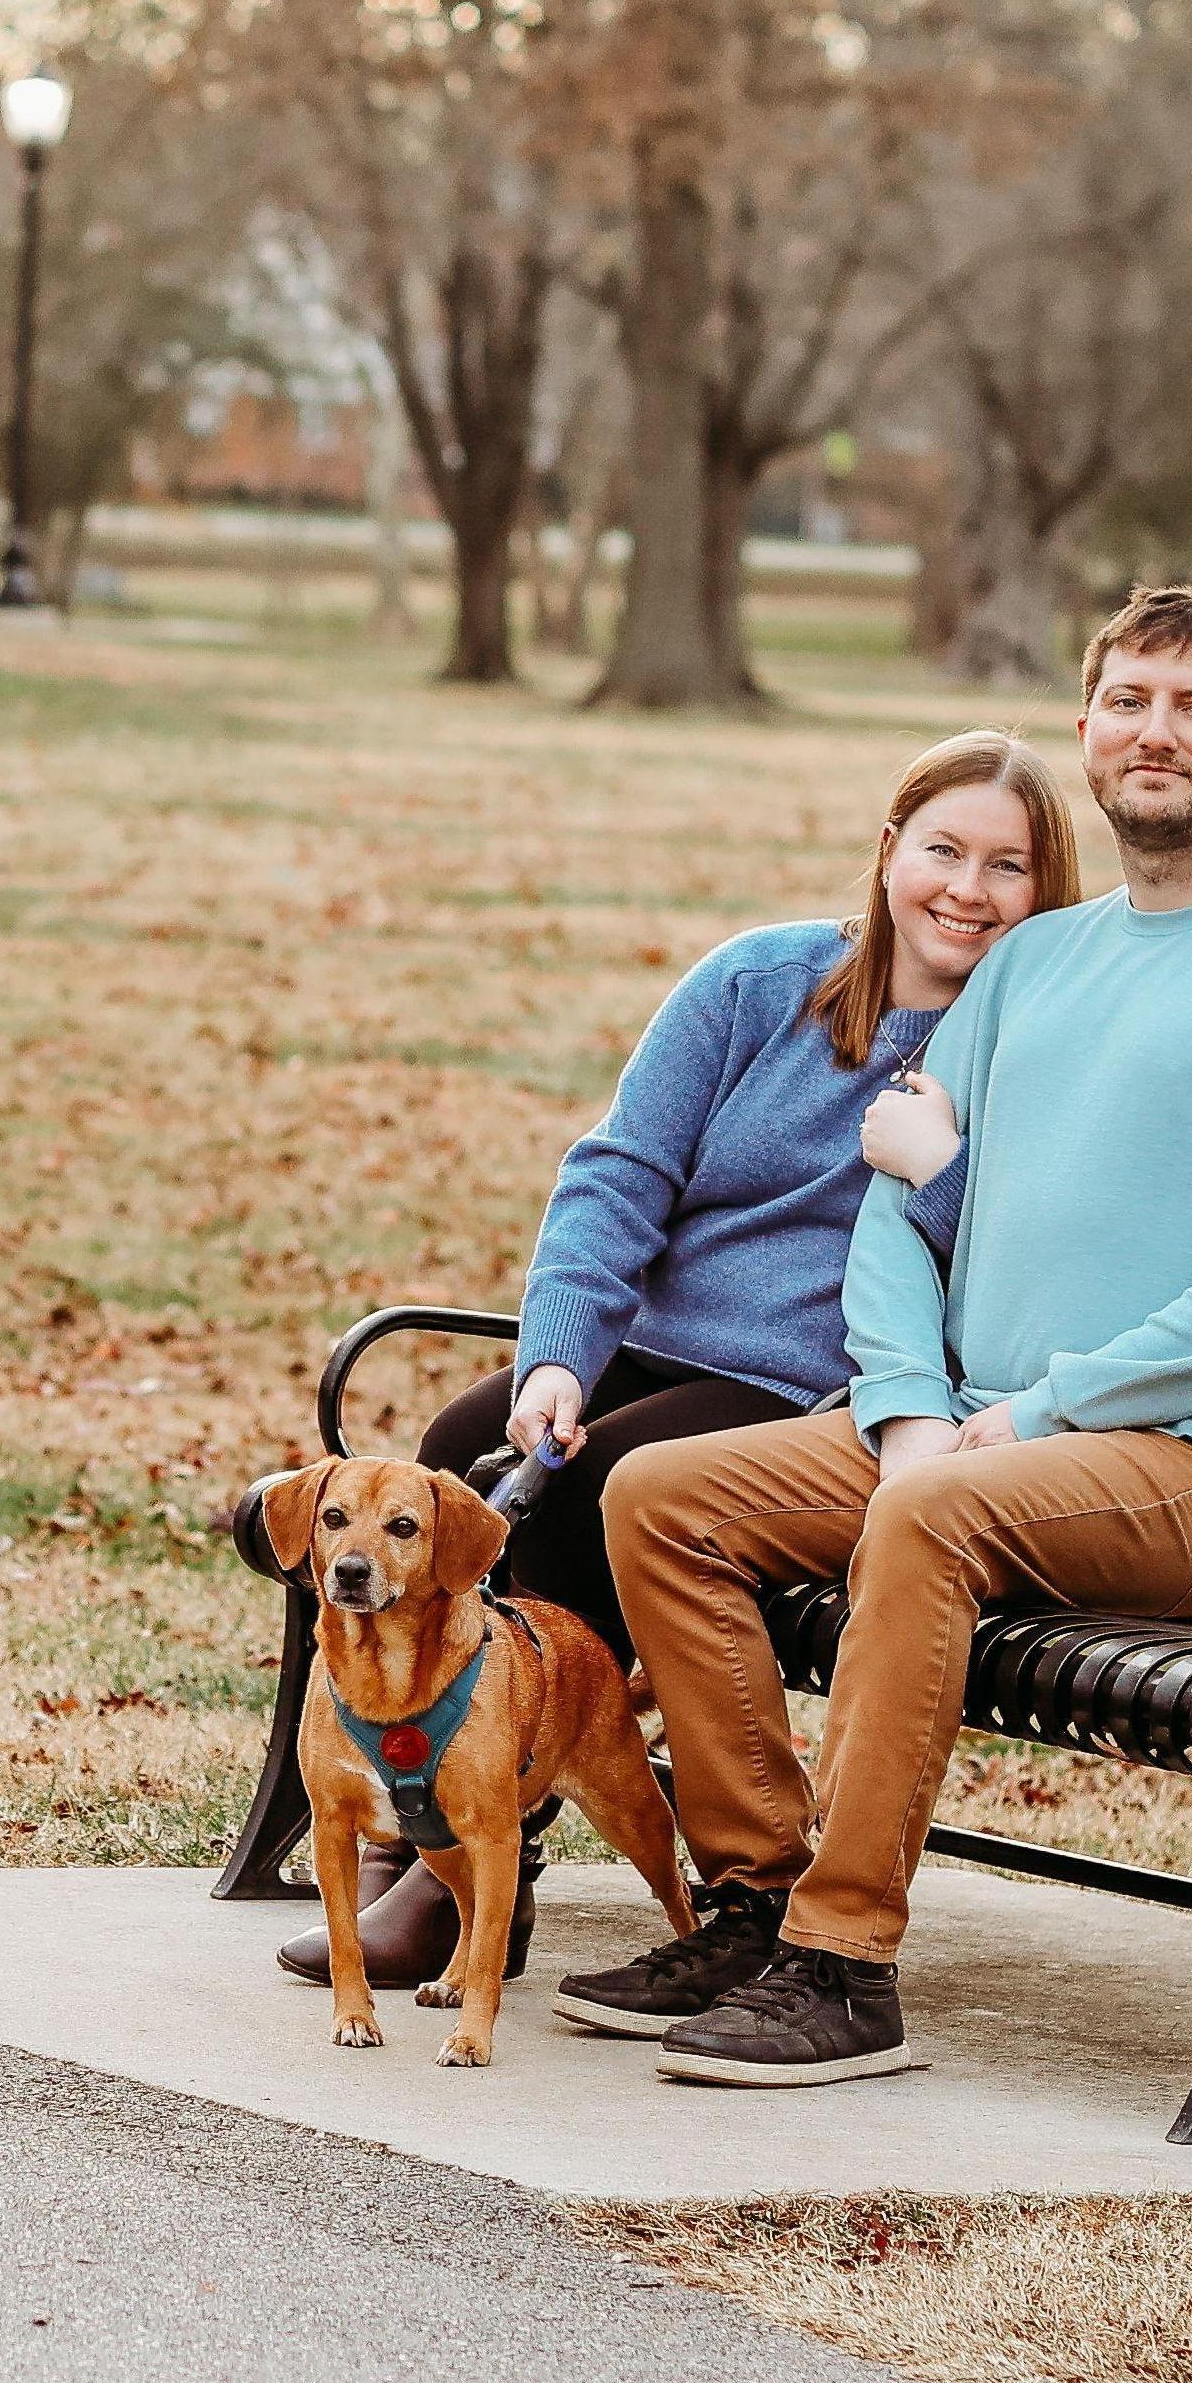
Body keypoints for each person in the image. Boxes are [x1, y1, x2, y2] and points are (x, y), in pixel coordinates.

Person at [559, 582, 1192, 2086]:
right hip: (961, 1434)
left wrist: (1039, 1412)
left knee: (934, 1520)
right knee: (660, 1495)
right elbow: (898, 1198)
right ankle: (756, 1900)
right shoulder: (1037, 960)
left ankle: (843, 1966)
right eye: (1130, 702)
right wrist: (900, 1406)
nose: (1158, 733)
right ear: (1089, 729)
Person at [277, 729, 1077, 1991]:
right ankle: (435, 1842)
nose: (966, 889)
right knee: (460, 1454)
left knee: (610, 1485)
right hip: (653, 1339)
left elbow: (1028, 1253)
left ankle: (471, 1861)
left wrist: (945, 1166)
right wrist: (558, 1357)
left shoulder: (1033, 1047)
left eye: (1008, 866)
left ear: (1050, 893)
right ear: (885, 855)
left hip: (821, 1390)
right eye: (941, 850)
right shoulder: (760, 983)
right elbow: (618, 1172)